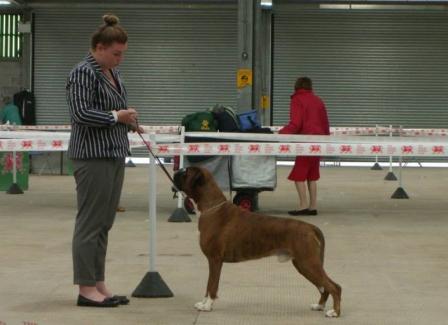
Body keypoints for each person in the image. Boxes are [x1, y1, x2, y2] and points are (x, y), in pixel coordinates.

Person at [67, 14, 141, 308]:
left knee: (104, 223)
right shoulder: (84, 72)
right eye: (116, 53)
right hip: (92, 156)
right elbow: (81, 113)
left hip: (112, 153)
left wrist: (129, 121)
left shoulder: (112, 73)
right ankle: (86, 289)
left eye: (122, 54)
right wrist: (116, 116)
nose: (120, 59)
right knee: (90, 223)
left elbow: (114, 110)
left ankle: (98, 282)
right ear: (99, 47)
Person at [279, 77, 330, 216]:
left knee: (299, 175)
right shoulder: (318, 100)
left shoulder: (297, 99)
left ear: (296, 86)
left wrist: (280, 134)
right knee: (312, 176)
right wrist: (326, 139)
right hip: (319, 141)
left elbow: (296, 123)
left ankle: (303, 206)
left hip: (306, 140)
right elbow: (325, 123)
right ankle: (313, 206)